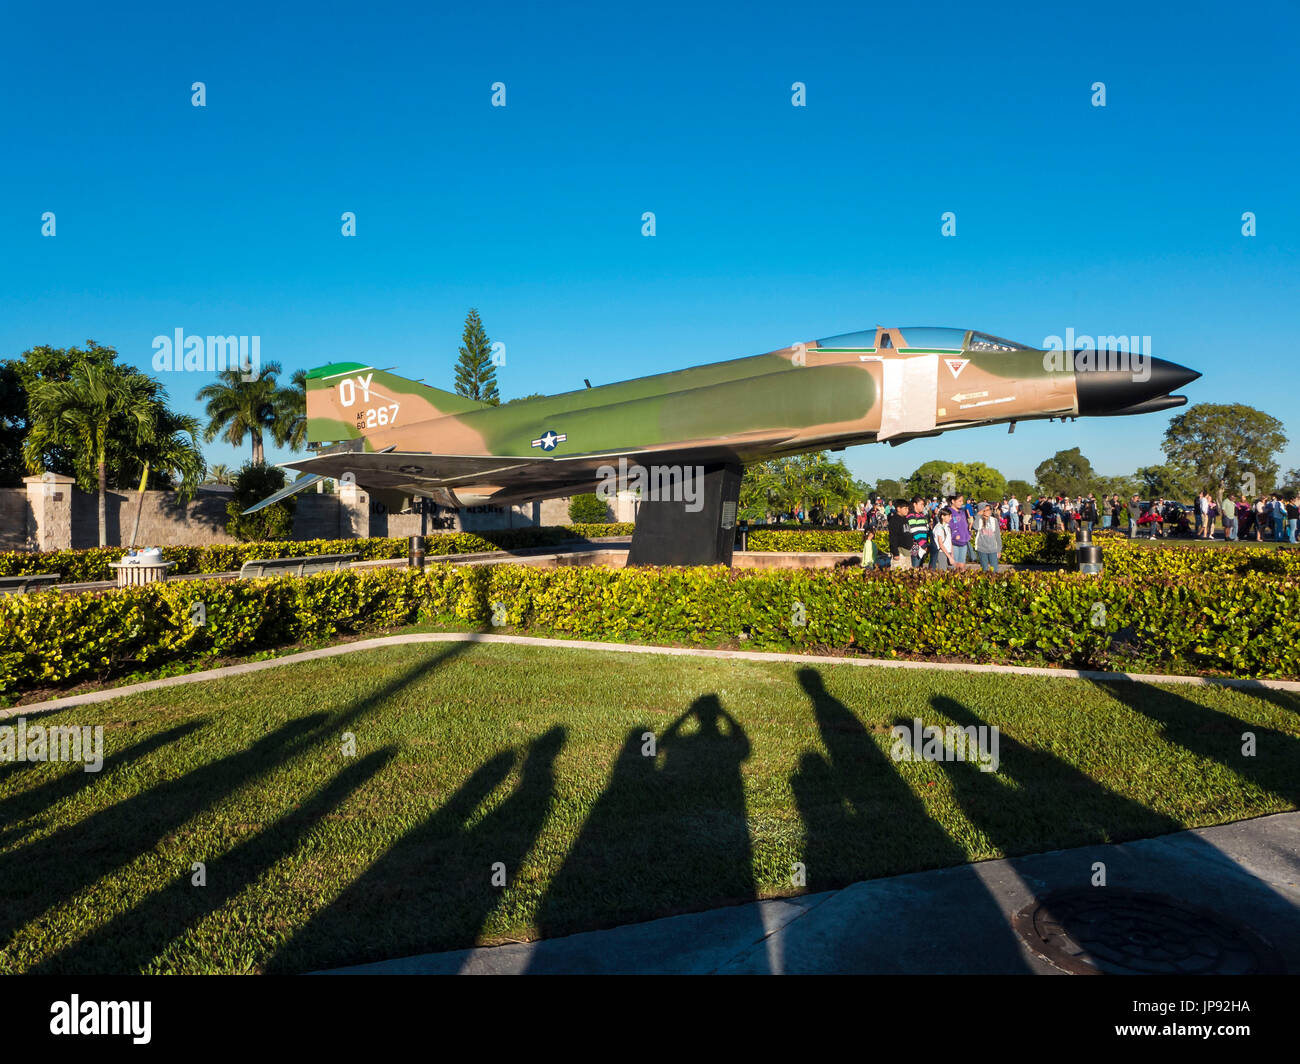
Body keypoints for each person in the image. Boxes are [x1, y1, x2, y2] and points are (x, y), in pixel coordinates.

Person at [973, 501, 1003, 572]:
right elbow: (975, 527)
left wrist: (999, 550)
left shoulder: (994, 520)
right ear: (982, 511)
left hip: (993, 549)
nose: (989, 511)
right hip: (982, 549)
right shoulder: (978, 520)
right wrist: (977, 516)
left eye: (990, 509)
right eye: (986, 510)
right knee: (984, 570)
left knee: (995, 570)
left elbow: (997, 536)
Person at [887, 498, 912, 568]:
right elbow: (893, 537)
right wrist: (895, 553)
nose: (907, 510)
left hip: (907, 551)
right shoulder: (894, 520)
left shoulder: (905, 519)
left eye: (908, 508)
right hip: (899, 552)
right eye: (905, 508)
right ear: (898, 509)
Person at [906, 496, 930, 568]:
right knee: (915, 567)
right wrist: (923, 545)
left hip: (922, 546)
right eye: (921, 504)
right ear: (914, 504)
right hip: (915, 546)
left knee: (920, 567)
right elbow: (915, 532)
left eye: (923, 504)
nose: (923, 506)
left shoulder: (922, 515)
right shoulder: (911, 516)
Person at [948, 494, 971, 565]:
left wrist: (968, 533)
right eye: (959, 501)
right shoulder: (948, 512)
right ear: (953, 501)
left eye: (962, 501)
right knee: (954, 566)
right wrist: (954, 535)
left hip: (963, 542)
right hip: (954, 543)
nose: (961, 503)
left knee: (962, 565)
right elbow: (949, 526)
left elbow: (964, 525)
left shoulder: (962, 512)